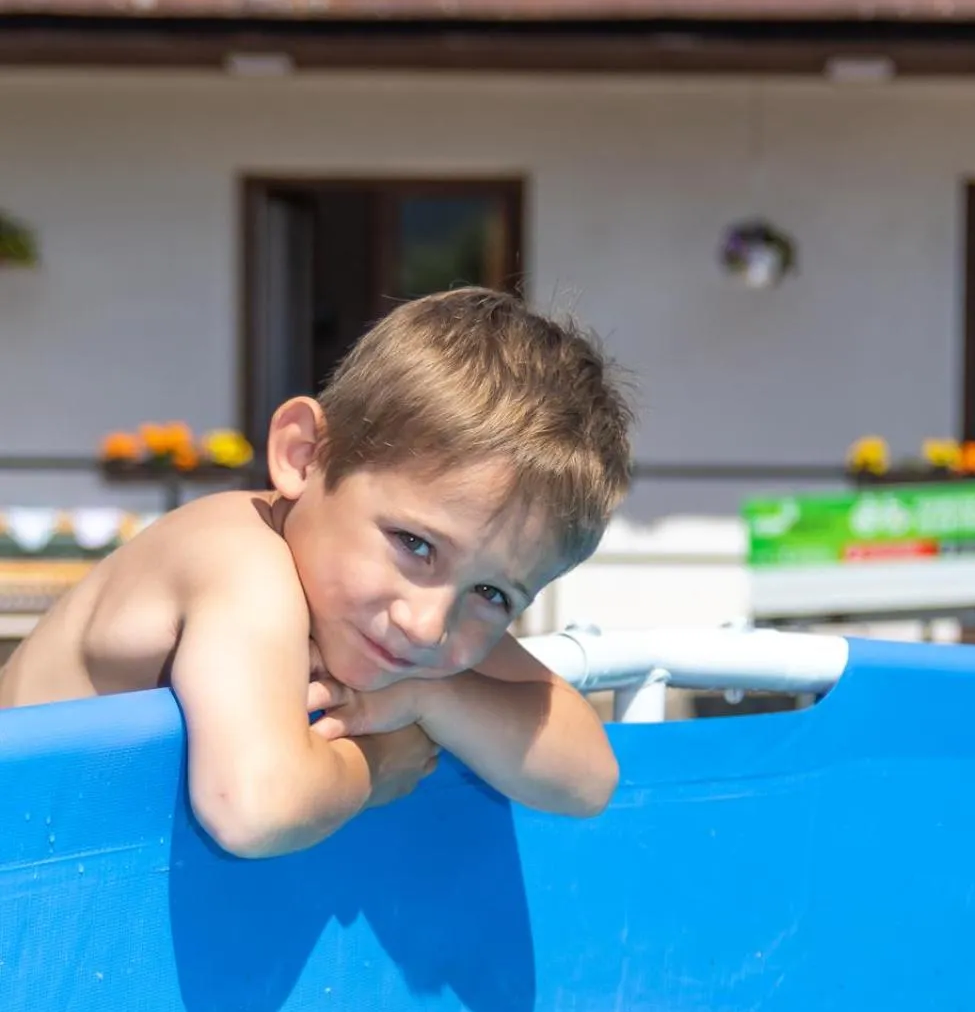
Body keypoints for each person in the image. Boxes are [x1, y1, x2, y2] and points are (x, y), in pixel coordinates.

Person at [0, 288, 634, 857]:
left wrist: (429, 696)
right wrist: (377, 764)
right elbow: (251, 809)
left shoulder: (403, 617)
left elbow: (588, 777)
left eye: (494, 592)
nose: (426, 625)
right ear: (304, 457)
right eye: (414, 544)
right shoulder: (242, 562)